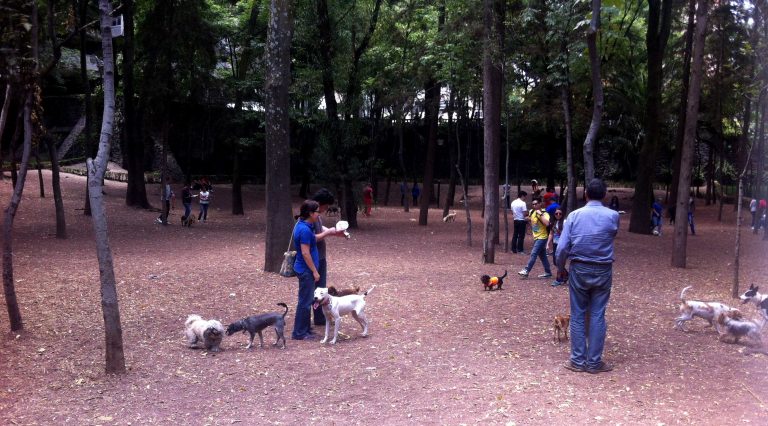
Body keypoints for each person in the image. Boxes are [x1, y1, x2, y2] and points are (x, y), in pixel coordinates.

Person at [556, 178, 619, 374]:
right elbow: (610, 235)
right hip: (603, 269)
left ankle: (577, 360)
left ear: (586, 195)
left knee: (577, 314)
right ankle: (594, 363)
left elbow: (563, 247)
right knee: (598, 314)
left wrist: (560, 267)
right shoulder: (613, 216)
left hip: (579, 268)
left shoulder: (574, 216)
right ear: (605, 195)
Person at [310, 189, 346, 327]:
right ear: (320, 203)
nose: (325, 210)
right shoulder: (310, 214)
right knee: (315, 289)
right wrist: (329, 232)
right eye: (325, 206)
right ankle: (315, 319)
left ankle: (320, 317)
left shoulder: (317, 215)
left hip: (321, 257)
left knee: (321, 287)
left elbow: (320, 228)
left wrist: (334, 232)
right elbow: (312, 237)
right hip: (315, 258)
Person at [292, 200, 322, 340]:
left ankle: (306, 329)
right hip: (306, 271)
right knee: (305, 301)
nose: (319, 213)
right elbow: (305, 253)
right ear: (310, 213)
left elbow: (312, 239)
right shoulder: (304, 229)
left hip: (305, 269)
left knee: (307, 299)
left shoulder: (304, 225)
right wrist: (314, 271)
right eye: (317, 211)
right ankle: (299, 333)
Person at [518, 197, 552, 279]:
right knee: (542, 255)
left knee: (534, 253)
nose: (534, 205)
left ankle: (526, 270)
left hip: (542, 237)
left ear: (540, 204)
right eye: (533, 204)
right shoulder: (531, 211)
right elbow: (531, 219)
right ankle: (548, 272)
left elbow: (547, 223)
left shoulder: (544, 213)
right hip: (536, 237)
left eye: (536, 204)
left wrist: (540, 213)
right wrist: (527, 219)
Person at [546, 207, 565, 287]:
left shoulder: (564, 222)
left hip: (562, 243)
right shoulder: (553, 222)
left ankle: (559, 279)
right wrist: (547, 244)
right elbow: (551, 234)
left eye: (560, 213)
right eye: (556, 213)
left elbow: (565, 234)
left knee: (559, 261)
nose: (558, 215)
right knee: (555, 261)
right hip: (555, 243)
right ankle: (566, 275)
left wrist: (557, 230)